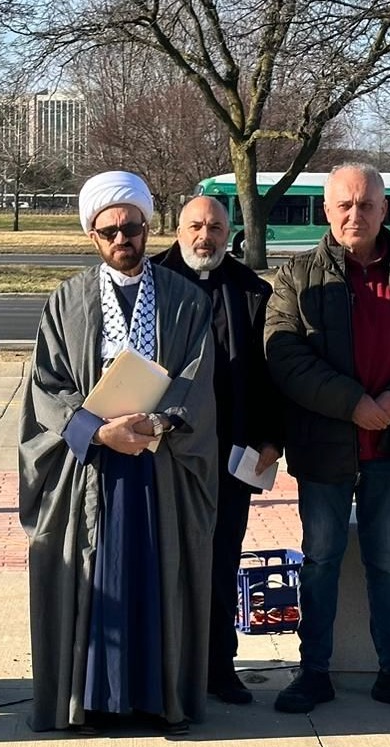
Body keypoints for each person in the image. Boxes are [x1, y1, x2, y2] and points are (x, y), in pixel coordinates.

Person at [21, 170, 218, 734]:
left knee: (157, 578)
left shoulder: (185, 299)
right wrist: (96, 431)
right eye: (108, 231)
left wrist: (156, 421)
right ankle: (96, 700)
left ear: (147, 226)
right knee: (96, 581)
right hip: (93, 468)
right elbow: (48, 387)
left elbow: (195, 377)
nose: (121, 239)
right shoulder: (68, 299)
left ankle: (156, 700)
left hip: (160, 466)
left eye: (130, 227)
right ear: (93, 236)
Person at [264, 163, 390, 717]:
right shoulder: (297, 275)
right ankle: (314, 672)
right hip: (325, 448)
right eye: (345, 205)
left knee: (389, 564)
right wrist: (353, 403)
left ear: (383, 209)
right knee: (320, 559)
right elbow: (283, 352)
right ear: (327, 211)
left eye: (367, 204)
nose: (356, 214)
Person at [148, 196, 283, 706]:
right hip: (163, 448)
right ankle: (162, 661)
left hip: (230, 452)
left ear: (231, 232)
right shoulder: (150, 280)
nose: (206, 236)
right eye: (196, 226)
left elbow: (272, 373)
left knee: (221, 558)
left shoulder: (253, 292)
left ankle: (217, 665)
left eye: (217, 227)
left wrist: (273, 438)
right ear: (178, 229)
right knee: (163, 556)